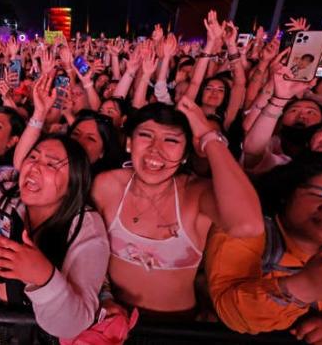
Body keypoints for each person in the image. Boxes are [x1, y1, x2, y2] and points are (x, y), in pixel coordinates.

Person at [92, 101, 263, 316]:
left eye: (171, 140)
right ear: (129, 143)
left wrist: (210, 138)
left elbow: (248, 225)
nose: (156, 149)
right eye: (145, 135)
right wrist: (104, 297)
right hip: (112, 315)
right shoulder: (107, 185)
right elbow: (88, 252)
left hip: (177, 326)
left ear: (184, 155)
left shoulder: (196, 193)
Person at [0, 135, 109, 339]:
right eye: (32, 157)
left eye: (51, 164)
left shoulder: (86, 226)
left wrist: (43, 277)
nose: (34, 167)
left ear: (74, 181)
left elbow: (74, 324)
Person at [205, 152, 322, 342]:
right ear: (286, 193)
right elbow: (232, 313)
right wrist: (304, 287)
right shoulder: (248, 226)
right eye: (320, 194)